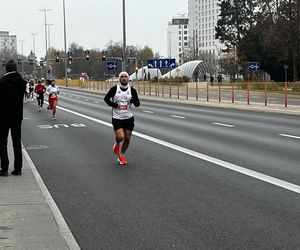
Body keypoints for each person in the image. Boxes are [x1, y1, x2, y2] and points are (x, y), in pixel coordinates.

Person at [104, 71, 140, 165]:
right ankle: (116, 142)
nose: (124, 78)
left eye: (126, 77)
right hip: (117, 117)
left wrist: (133, 101)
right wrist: (113, 104)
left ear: (128, 79)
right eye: (122, 77)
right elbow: (106, 99)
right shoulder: (114, 89)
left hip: (128, 117)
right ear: (119, 79)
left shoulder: (132, 90)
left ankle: (122, 155)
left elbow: (138, 104)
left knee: (127, 139)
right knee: (121, 137)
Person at [0, 60, 26, 176]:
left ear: (6, 69)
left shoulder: (2, 82)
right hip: (17, 116)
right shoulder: (21, 83)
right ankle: (18, 168)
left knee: (2, 142)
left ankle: (4, 168)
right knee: (17, 142)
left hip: (3, 116)